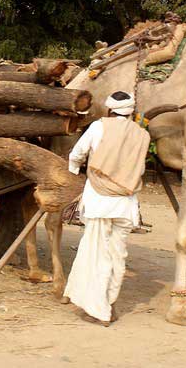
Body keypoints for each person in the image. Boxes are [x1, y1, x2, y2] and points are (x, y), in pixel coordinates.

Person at [63, 91, 151, 326]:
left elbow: (77, 154)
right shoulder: (142, 135)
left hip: (100, 200)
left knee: (96, 253)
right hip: (126, 204)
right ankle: (109, 302)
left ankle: (99, 309)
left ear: (110, 110)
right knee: (117, 255)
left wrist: (73, 172)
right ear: (131, 112)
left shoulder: (98, 127)